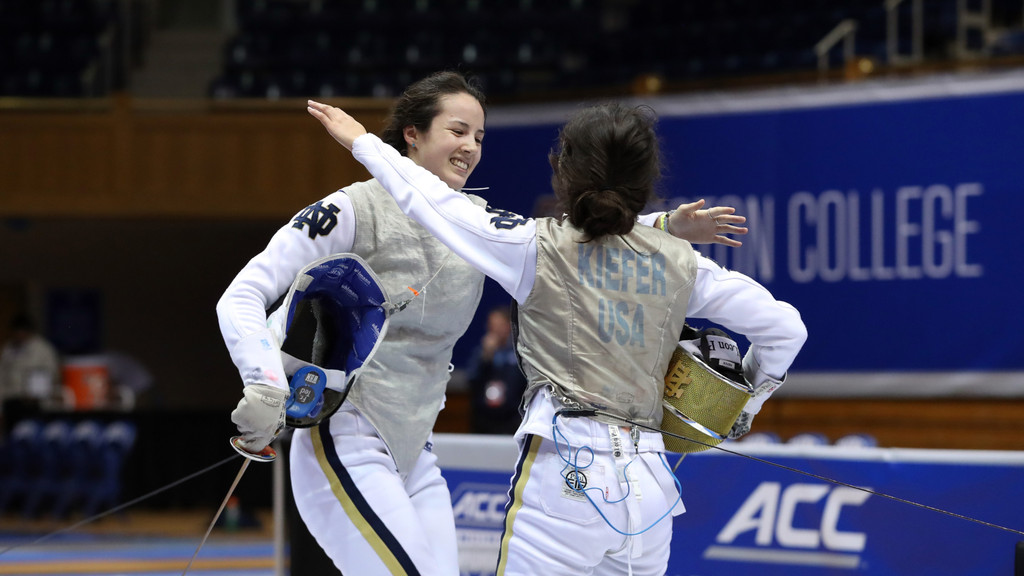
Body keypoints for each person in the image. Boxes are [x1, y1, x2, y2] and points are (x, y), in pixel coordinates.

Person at [219, 70, 743, 576]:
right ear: (412, 134)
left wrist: (662, 225)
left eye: (480, 135)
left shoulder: (471, 223)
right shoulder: (353, 209)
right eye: (457, 130)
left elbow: (562, 244)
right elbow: (242, 293)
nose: (471, 145)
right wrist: (262, 380)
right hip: (344, 436)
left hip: (415, 448)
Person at [466, 304, 527, 435]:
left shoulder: (520, 352)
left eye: (499, 325)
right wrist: (486, 357)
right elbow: (471, 380)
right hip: (484, 418)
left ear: (508, 326)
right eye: (492, 324)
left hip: (512, 418)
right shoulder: (481, 352)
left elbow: (524, 383)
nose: (495, 329)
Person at [0, 312, 61, 426]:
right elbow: (2, 377)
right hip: (11, 401)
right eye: (16, 333)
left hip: (35, 404)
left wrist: (37, 393)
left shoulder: (43, 349)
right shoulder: (8, 349)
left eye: (22, 332)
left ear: (29, 332)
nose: (19, 336)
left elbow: (52, 375)